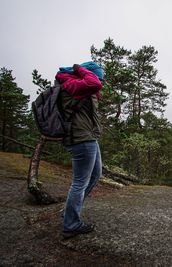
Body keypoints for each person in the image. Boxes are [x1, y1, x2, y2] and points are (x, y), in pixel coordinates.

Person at [55, 62, 104, 239]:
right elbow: (94, 84)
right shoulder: (69, 84)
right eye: (98, 76)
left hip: (88, 137)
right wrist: (80, 70)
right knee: (80, 182)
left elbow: (94, 87)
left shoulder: (77, 85)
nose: (101, 82)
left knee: (96, 174)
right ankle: (71, 225)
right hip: (80, 138)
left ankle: (70, 213)